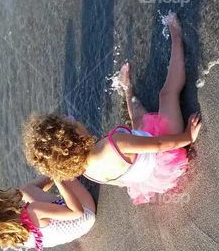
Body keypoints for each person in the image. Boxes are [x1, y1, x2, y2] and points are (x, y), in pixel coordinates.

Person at [22, 13, 202, 205]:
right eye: (69, 121)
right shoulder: (112, 144)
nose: (72, 117)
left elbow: (122, 178)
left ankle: (127, 89)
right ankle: (176, 35)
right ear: (73, 137)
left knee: (139, 121)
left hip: (147, 177)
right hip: (166, 156)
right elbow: (158, 145)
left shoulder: (87, 169)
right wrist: (187, 137)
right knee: (166, 94)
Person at [0, 176, 96, 251]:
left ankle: (50, 171)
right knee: (63, 172)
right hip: (85, 214)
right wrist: (58, 178)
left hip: (73, 227)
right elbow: (77, 212)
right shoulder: (34, 211)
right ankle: (54, 169)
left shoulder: (13, 235)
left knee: (26, 190)